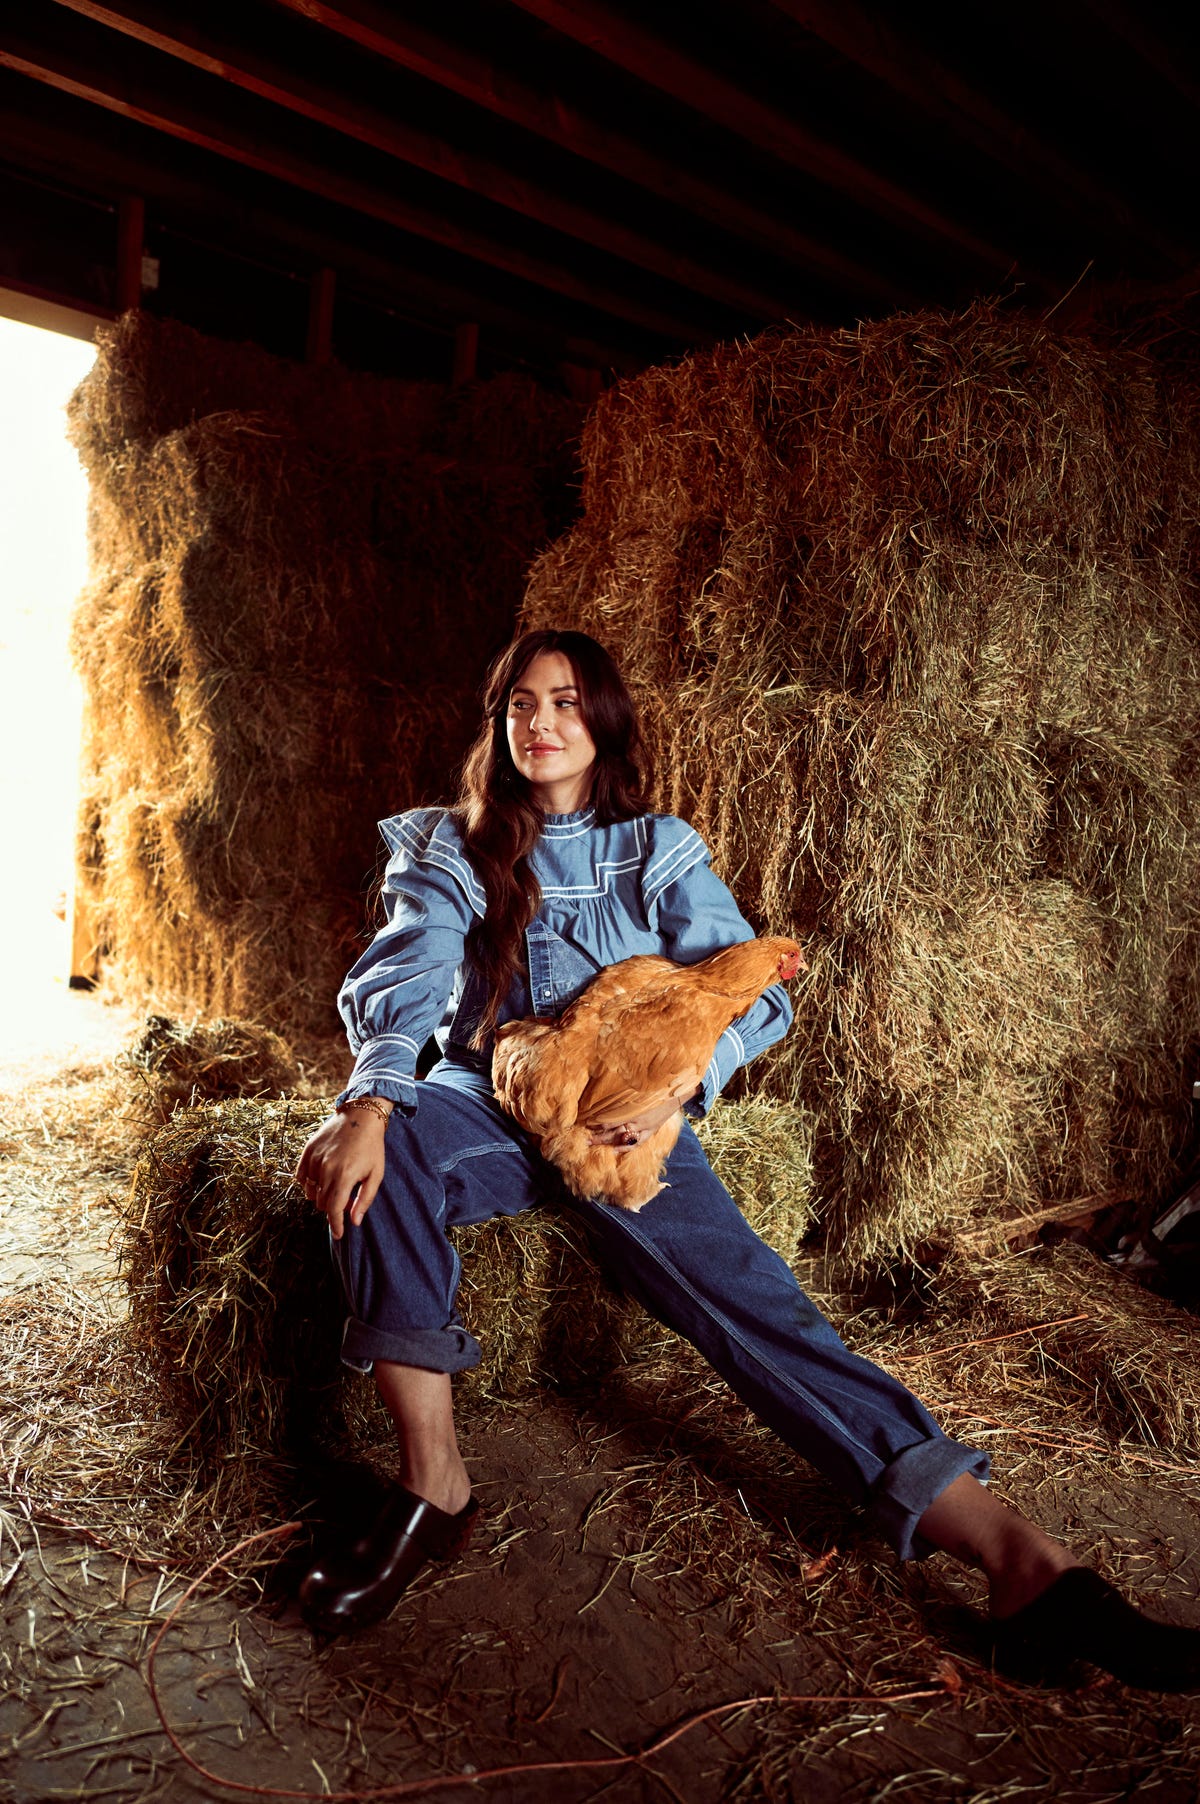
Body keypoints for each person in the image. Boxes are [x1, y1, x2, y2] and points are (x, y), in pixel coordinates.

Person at [295, 628, 1200, 1690]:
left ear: (604, 723)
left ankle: (1030, 1568)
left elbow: (753, 985)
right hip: (488, 1097)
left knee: (766, 1315)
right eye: (522, 706)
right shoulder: (451, 844)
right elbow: (410, 965)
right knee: (389, 1150)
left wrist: (679, 1083)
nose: (542, 725)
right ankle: (432, 1485)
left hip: (626, 1124)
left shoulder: (659, 849)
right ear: (499, 723)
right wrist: (368, 1097)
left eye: (567, 704)